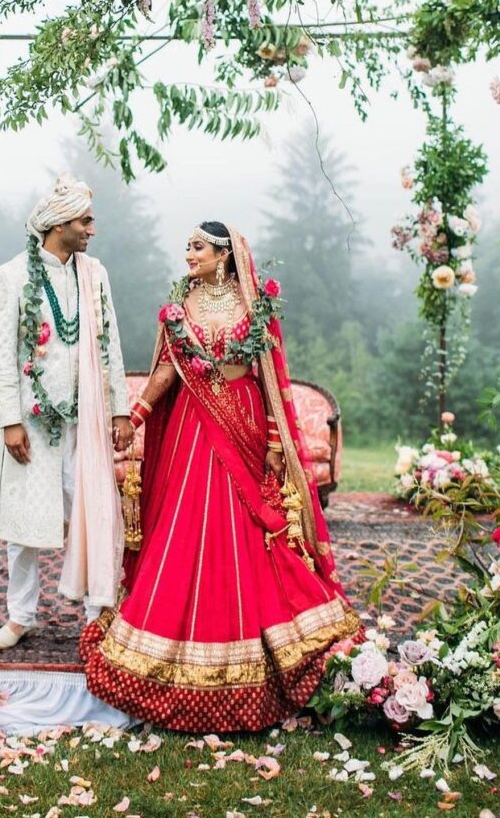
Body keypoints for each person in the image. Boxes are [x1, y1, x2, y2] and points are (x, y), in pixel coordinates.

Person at [81, 222, 362, 730]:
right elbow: (167, 370)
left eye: (198, 247)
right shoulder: (180, 307)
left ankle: (260, 636)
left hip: (245, 421)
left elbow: (271, 374)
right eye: (187, 246)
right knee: (185, 527)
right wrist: (137, 414)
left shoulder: (253, 304)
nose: (189, 254)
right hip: (193, 425)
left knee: (246, 529)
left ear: (224, 255)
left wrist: (276, 441)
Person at [0, 175, 132, 649]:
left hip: (84, 418)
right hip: (28, 420)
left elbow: (109, 346)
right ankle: (20, 614)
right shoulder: (11, 276)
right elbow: (2, 356)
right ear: (58, 224)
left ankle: (96, 612)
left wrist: (118, 410)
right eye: (85, 221)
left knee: (92, 510)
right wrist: (9, 420)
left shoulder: (96, 274)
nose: (92, 229)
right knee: (24, 522)